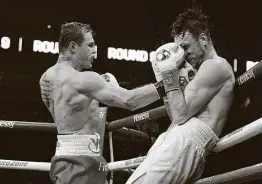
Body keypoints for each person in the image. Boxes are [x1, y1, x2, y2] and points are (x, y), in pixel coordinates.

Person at [39, 22, 165, 184]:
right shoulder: (86, 80)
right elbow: (130, 100)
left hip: (63, 159)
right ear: (72, 47)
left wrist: (105, 85)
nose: (94, 50)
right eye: (90, 45)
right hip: (83, 162)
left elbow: (74, 109)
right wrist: (166, 84)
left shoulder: (46, 78)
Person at [126, 8, 235, 184]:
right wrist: (163, 80)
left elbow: (180, 115)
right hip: (178, 138)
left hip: (188, 140)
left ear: (204, 39)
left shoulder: (215, 66)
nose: (183, 54)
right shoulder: (200, 70)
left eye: (185, 46)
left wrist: (168, 74)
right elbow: (175, 117)